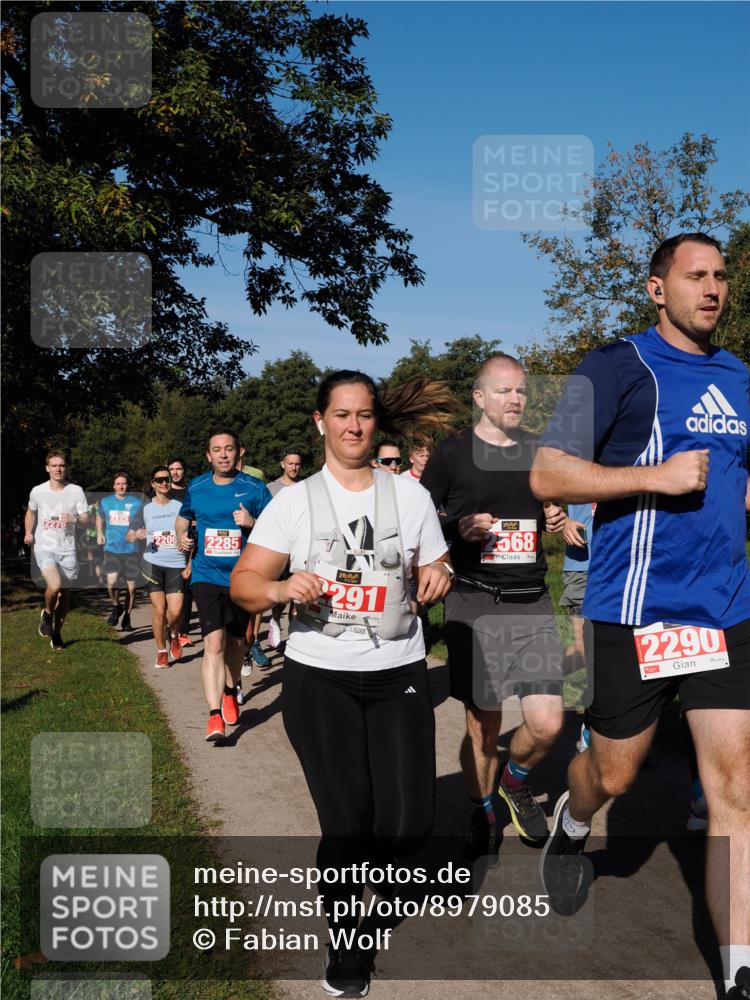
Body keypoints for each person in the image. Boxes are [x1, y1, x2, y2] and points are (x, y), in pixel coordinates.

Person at [531, 233, 750, 999]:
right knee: (615, 775)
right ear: (658, 289)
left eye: (722, 276)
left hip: (724, 608)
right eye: (696, 276)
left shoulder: (741, 377)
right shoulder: (618, 366)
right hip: (638, 610)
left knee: (735, 787)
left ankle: (739, 969)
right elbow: (547, 470)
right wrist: (653, 474)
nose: (713, 288)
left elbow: (738, 485)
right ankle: (572, 818)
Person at [230, 371, 456, 997]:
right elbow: (244, 582)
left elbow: (433, 561)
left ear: (375, 422)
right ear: (320, 421)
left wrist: (440, 573)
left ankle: (378, 884)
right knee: (348, 819)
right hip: (320, 678)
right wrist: (278, 588)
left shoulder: (409, 497)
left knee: (410, 823)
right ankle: (349, 943)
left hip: (399, 670)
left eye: (364, 415)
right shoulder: (293, 502)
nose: (354, 426)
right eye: (342, 415)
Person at [421, 354, 566, 857]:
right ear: (480, 398)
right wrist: (455, 528)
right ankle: (481, 807)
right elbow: (420, 520)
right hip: (476, 600)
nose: (516, 399)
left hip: (531, 600)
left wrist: (553, 512)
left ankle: (515, 779)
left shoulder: (537, 450)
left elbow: (549, 502)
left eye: (521, 391)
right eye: (504, 391)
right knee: (484, 724)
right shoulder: (453, 454)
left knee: (548, 723)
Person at [176, 429, 272, 742]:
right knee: (214, 643)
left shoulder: (254, 488)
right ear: (208, 455)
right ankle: (214, 715)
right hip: (207, 575)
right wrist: (181, 536)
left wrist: (252, 523)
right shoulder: (198, 486)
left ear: (239, 452)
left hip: (243, 576)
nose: (223, 455)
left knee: (236, 643)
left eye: (229, 449)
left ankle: (231, 689)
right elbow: (184, 517)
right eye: (216, 450)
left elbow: (277, 529)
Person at [24, 450, 89, 651]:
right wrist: (28, 533)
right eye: (54, 465)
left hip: (68, 548)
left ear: (66, 467)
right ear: (47, 468)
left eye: (61, 465)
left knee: (65, 595)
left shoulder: (76, 491)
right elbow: (31, 512)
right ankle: (47, 613)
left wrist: (75, 519)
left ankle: (57, 634)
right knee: (55, 585)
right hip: (45, 546)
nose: (58, 469)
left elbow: (86, 520)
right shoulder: (38, 491)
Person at [138, 466, 191, 668]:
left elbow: (192, 535)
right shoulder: (145, 509)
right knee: (159, 610)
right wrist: (137, 535)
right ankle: (161, 651)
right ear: (152, 484)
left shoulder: (180, 506)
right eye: (159, 480)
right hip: (153, 563)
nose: (163, 483)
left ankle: (175, 633)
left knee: (175, 613)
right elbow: (130, 534)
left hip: (176, 563)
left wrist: (189, 563)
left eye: (166, 479)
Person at [266, 448, 305, 649]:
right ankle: (274, 618)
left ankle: (294, 638)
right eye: (290, 463)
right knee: (280, 592)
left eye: (297, 464)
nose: (294, 467)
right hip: (278, 548)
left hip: (299, 549)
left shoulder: (306, 487)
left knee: (297, 594)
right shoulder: (271, 488)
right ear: (283, 464)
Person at [97, 472, 144, 631]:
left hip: (131, 549)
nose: (121, 486)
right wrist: (99, 532)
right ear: (113, 486)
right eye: (118, 483)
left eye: (124, 483)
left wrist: (141, 532)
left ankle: (128, 617)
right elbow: (99, 517)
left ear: (127, 485)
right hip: (112, 548)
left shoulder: (137, 503)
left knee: (132, 587)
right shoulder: (105, 502)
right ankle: (116, 606)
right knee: (111, 581)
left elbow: (143, 521)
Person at [166, 458, 194, 646]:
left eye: (179, 469)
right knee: (170, 591)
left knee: (188, 588)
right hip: (167, 545)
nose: (175, 472)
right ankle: (170, 626)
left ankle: (183, 631)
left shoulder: (192, 491)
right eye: (172, 469)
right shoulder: (161, 490)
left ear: (184, 471)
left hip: (190, 544)